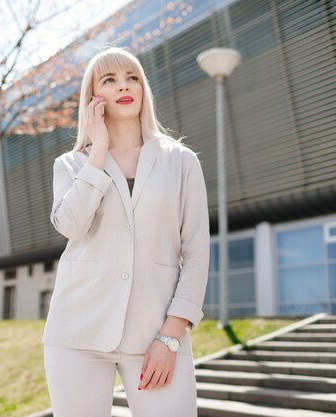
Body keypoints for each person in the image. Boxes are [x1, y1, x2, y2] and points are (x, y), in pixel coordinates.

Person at [41, 46, 210, 417]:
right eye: (110, 79)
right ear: (93, 97)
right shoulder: (71, 164)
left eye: (133, 77)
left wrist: (171, 336)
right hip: (77, 334)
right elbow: (70, 226)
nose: (124, 86)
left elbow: (196, 252)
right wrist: (98, 149)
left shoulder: (180, 161)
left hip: (155, 333)